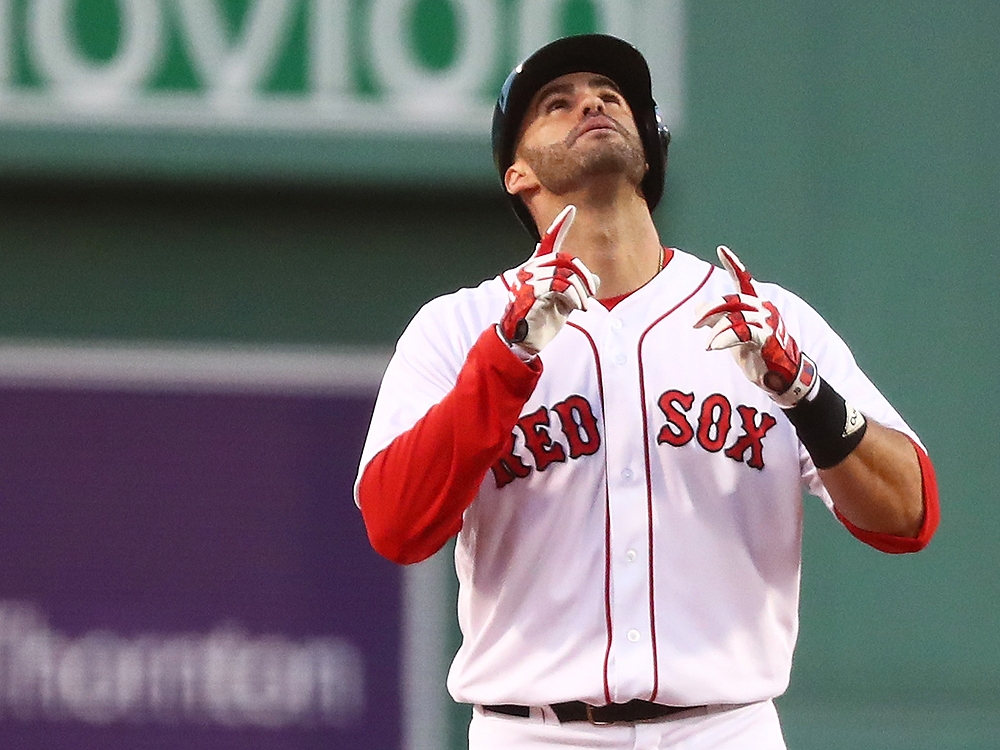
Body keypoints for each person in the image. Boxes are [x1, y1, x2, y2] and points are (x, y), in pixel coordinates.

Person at [354, 33, 939, 749]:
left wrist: (806, 394)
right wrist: (505, 361)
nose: (591, 103)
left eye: (609, 92)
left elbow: (910, 514)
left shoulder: (761, 318)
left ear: (650, 142)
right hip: (534, 734)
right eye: (555, 103)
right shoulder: (461, 327)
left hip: (726, 730)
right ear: (516, 174)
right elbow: (397, 524)